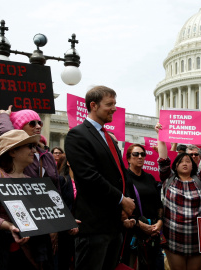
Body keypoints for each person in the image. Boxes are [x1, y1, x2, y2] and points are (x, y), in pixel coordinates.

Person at [65, 86, 135, 270]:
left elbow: (121, 174)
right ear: (94, 105)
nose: (114, 108)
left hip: (114, 225)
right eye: (109, 104)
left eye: (115, 104)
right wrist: (121, 200)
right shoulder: (78, 134)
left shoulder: (109, 137)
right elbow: (89, 177)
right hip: (94, 227)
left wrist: (125, 205)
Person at [0, 107, 60, 268]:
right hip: (24, 224)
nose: (38, 126)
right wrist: (4, 115)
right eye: (32, 123)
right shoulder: (19, 154)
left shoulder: (47, 155)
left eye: (39, 122)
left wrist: (58, 224)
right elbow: (7, 134)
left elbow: (56, 190)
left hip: (48, 223)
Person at [0, 130, 39, 269]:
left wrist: (63, 222)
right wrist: (9, 226)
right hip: (5, 253)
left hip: (31, 254)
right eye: (30, 146)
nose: (34, 150)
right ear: (12, 152)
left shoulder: (30, 180)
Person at [155, 123, 201, 270]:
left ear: (193, 166)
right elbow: (163, 159)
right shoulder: (168, 179)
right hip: (174, 236)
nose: (184, 163)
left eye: (188, 161)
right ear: (175, 166)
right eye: (181, 161)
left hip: (196, 237)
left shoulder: (200, 179)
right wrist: (161, 136)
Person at [124, 143, 164, 270]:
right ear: (129, 158)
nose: (140, 157)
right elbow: (122, 208)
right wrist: (140, 225)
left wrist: (159, 222)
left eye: (143, 154)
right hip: (134, 234)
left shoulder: (150, 177)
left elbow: (158, 203)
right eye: (136, 154)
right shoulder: (124, 178)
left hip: (153, 232)